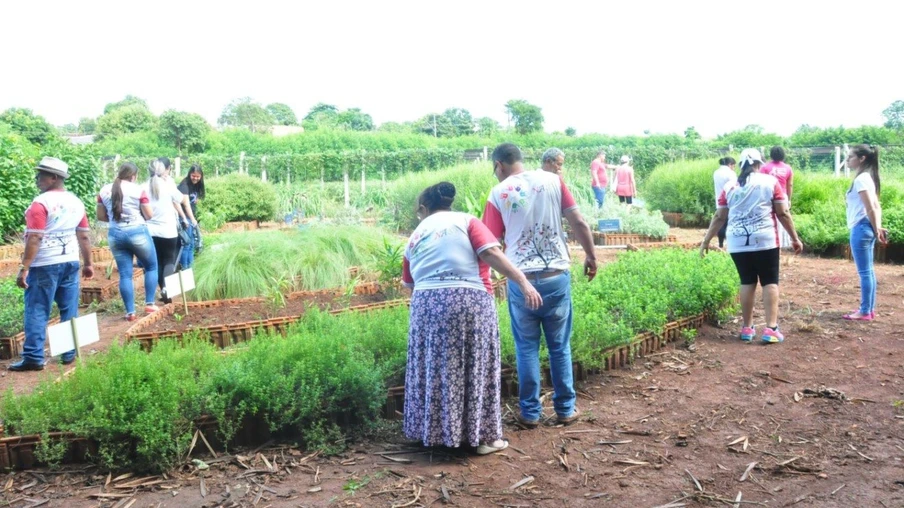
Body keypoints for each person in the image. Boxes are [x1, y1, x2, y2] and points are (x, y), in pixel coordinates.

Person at [402, 182, 543, 455]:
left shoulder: (416, 234)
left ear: (423, 208)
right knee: (475, 363)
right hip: (467, 299)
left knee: (434, 366)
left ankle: (432, 433)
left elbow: (409, 283)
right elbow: (490, 253)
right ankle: (482, 439)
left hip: (425, 305)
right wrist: (523, 282)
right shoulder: (467, 221)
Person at [483, 143, 598, 428]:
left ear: (499, 165)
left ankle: (530, 413)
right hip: (555, 276)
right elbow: (579, 222)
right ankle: (565, 409)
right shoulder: (553, 181)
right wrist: (591, 256)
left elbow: (489, 243)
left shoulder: (499, 193)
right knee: (559, 346)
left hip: (521, 281)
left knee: (526, 348)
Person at [700, 148, 803, 344]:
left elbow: (719, 216)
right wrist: (795, 238)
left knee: (747, 281)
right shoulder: (770, 182)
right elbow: (783, 213)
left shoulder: (730, 186)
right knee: (769, 281)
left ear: (740, 166)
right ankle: (771, 328)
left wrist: (706, 241)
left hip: (737, 242)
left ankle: (747, 328)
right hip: (765, 240)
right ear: (759, 163)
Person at [9, 157, 94, 371]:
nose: (37, 178)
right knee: (69, 307)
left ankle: (33, 357)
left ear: (54, 178)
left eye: (41, 174)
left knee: (37, 309)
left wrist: (25, 267)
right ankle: (69, 352)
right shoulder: (76, 202)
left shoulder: (40, 203)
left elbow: (35, 238)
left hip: (44, 263)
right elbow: (84, 236)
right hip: (70, 261)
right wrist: (88, 263)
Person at [96, 162, 160, 321]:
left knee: (125, 274)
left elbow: (100, 216)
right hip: (137, 231)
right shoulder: (138, 190)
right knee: (151, 266)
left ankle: (130, 312)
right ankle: (150, 303)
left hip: (115, 234)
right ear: (133, 176)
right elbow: (149, 214)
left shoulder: (104, 190)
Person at [842, 144, 888, 321]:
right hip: (866, 227)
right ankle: (868, 309)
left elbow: (870, 207)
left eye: (850, 157)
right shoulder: (868, 177)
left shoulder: (862, 179)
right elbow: (876, 206)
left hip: (861, 228)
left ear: (862, 159)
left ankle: (865, 311)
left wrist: (877, 228)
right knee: (868, 271)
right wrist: (878, 227)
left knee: (865, 272)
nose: (848, 160)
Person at [146, 158, 190, 303]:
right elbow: (180, 199)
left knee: (157, 262)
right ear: (166, 170)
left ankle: (163, 291)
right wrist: (168, 181)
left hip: (150, 231)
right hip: (168, 230)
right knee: (169, 261)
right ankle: (167, 291)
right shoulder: (167, 185)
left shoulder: (143, 187)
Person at [761, 146, 794, 250]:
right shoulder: (788, 168)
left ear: (771, 155)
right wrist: (788, 199)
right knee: (782, 219)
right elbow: (790, 185)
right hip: (782, 196)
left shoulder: (765, 167)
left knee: (769, 219)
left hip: (768, 196)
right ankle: (781, 245)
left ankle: (770, 245)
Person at [177, 164, 205, 269]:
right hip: (185, 219)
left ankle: (191, 268)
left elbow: (193, 202)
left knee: (192, 244)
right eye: (193, 176)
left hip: (191, 218)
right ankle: (185, 268)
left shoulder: (196, 185)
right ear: (190, 174)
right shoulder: (184, 185)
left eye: (198, 176)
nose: (195, 178)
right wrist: (192, 219)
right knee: (186, 245)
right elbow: (186, 204)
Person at [713, 157, 737, 248]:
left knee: (720, 222)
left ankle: (720, 244)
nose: (734, 168)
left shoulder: (716, 172)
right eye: (733, 166)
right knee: (728, 223)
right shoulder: (731, 173)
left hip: (719, 202)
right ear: (730, 164)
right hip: (729, 201)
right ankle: (729, 244)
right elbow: (734, 187)